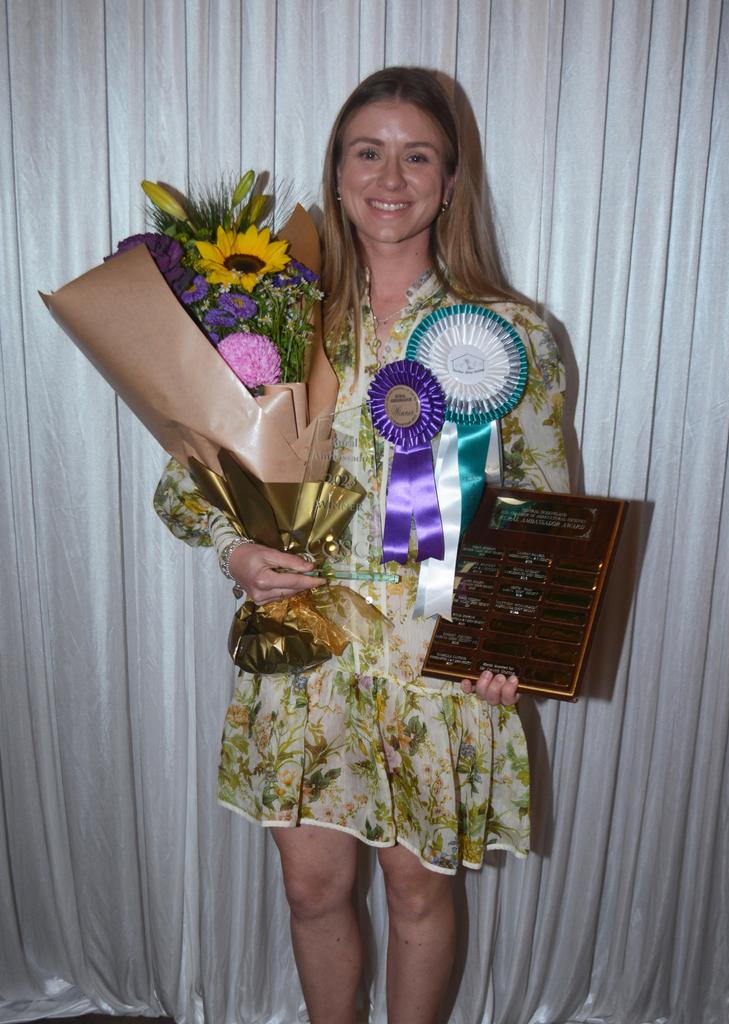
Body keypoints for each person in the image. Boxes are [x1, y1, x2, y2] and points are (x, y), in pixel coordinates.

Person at [154, 66, 569, 1024]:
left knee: (420, 892)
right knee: (311, 890)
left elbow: (543, 500)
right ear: (337, 174)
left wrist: (516, 639)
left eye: (417, 154)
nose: (392, 175)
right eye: (367, 152)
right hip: (307, 645)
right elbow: (186, 484)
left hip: (439, 652)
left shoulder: (513, 334)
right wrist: (238, 554)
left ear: (451, 179)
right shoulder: (273, 319)